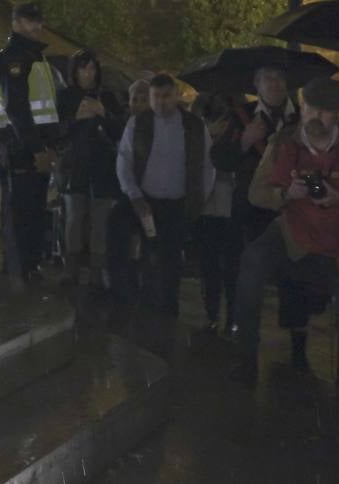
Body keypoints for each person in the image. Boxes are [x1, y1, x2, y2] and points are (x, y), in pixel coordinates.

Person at [231, 77, 339, 392]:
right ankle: (244, 357)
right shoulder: (283, 141)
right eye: (311, 110)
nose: (316, 119)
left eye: (325, 112)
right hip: (295, 231)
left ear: (338, 113)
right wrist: (284, 194)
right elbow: (256, 192)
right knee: (252, 261)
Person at [211, 65, 314, 356]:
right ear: (256, 85)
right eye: (268, 79)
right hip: (250, 208)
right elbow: (219, 157)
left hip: (293, 208)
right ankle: (243, 335)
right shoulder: (241, 116)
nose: (275, 84)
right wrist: (244, 141)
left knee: (296, 276)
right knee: (245, 272)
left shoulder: (303, 117)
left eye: (280, 78)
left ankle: (298, 342)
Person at [115, 74, 215, 315]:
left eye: (166, 96)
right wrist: (134, 195)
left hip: (178, 203)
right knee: (148, 253)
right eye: (156, 97)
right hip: (146, 200)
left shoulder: (193, 126)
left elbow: (207, 164)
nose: (161, 102)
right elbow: (124, 159)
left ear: (176, 96)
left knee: (170, 257)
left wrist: (199, 198)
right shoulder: (139, 124)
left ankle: (167, 308)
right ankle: (146, 305)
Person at [0, 2, 63, 283]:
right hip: (24, 149)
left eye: (39, 21)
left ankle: (29, 268)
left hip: (34, 148)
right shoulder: (15, 58)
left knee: (33, 211)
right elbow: (17, 109)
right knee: (21, 213)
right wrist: (38, 150)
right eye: (30, 21)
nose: (37, 26)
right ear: (16, 23)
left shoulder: (34, 56)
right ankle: (20, 274)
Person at [56, 49, 125, 289]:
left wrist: (103, 112)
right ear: (74, 71)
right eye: (83, 68)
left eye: (92, 68)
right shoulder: (65, 97)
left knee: (100, 221)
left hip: (103, 168)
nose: (88, 73)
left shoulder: (106, 96)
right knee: (75, 217)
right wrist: (76, 118)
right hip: (75, 166)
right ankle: (71, 268)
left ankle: (97, 272)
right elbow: (57, 132)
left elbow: (120, 130)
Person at [194, 93, 241, 331]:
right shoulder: (198, 135)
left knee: (231, 267)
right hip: (206, 207)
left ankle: (233, 317)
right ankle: (212, 315)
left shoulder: (238, 133)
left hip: (231, 206)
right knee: (209, 266)